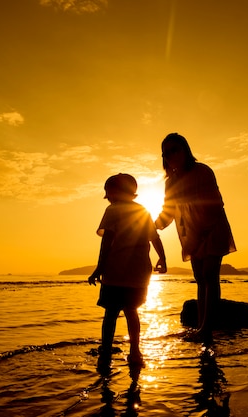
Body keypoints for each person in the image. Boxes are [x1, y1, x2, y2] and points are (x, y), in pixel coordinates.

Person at [155, 133, 236, 342]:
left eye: (175, 149)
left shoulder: (202, 171)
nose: (171, 155)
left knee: (210, 276)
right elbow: (169, 211)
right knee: (200, 279)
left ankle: (207, 328)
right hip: (191, 233)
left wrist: (204, 231)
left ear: (185, 149)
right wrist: (153, 225)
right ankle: (202, 326)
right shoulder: (170, 182)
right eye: (167, 152)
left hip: (212, 228)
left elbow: (215, 203)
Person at [88, 173, 167, 371]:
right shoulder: (142, 211)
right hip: (139, 272)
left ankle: (106, 350)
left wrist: (99, 267)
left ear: (113, 193)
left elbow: (106, 242)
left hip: (115, 271)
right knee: (132, 312)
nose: (109, 198)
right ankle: (135, 351)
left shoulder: (113, 210)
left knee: (111, 313)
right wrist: (162, 259)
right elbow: (154, 237)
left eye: (108, 194)